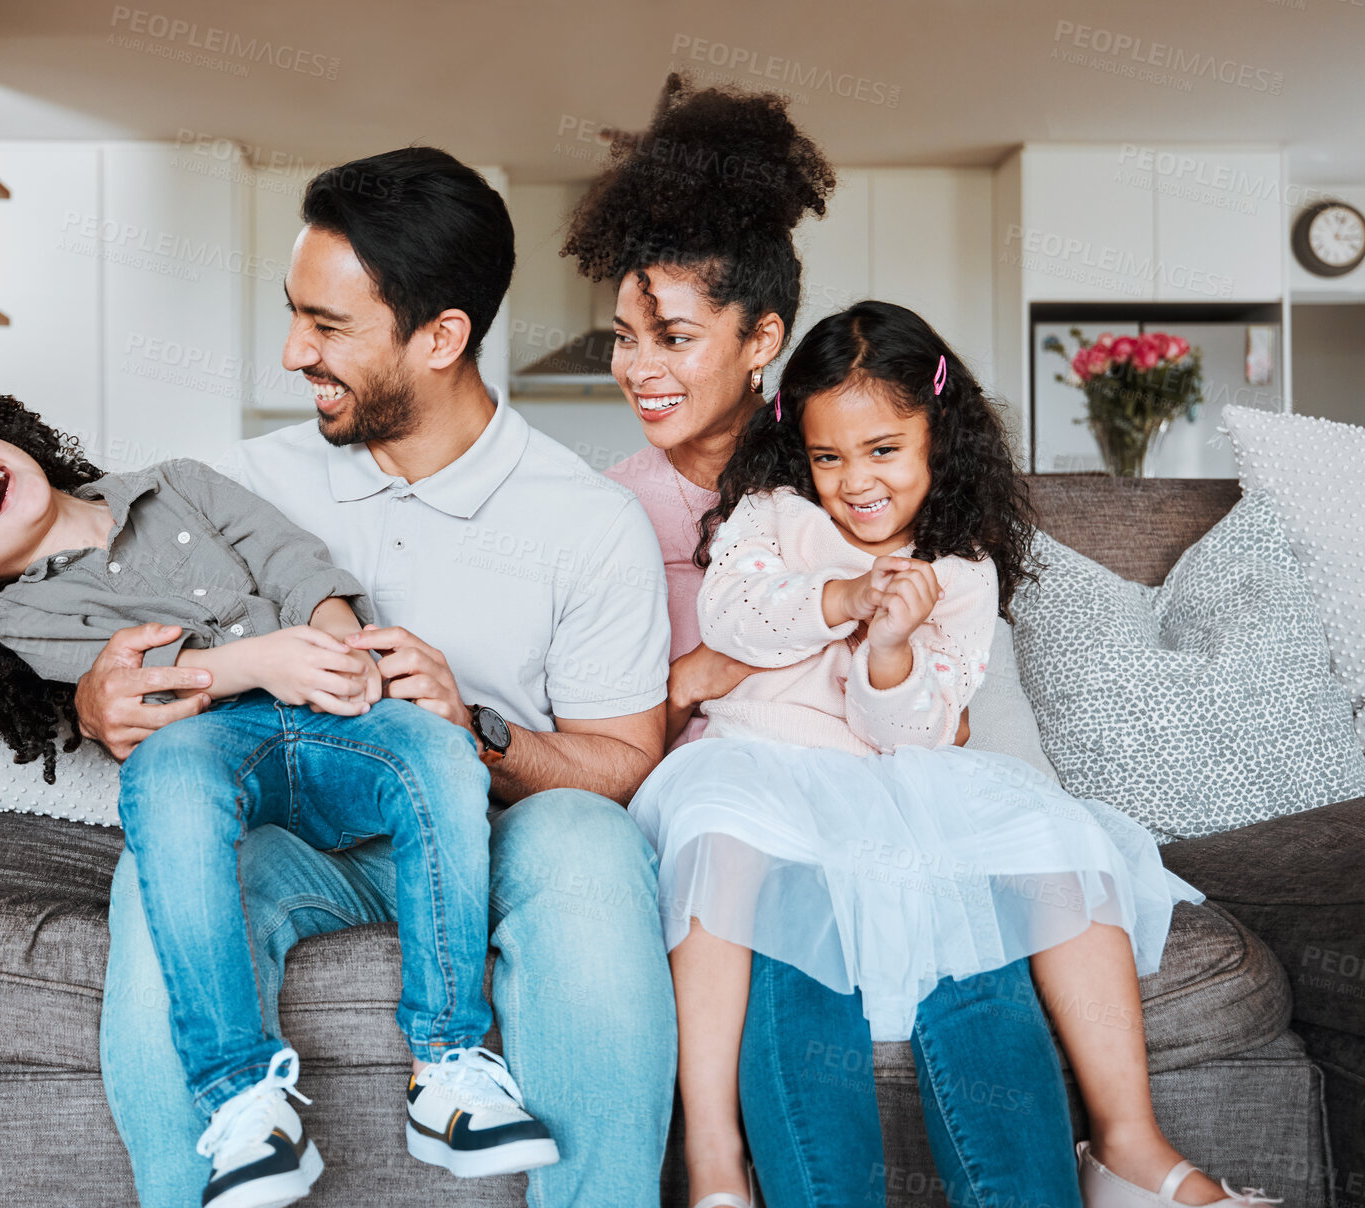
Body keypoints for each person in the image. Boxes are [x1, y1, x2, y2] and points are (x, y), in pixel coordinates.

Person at [0, 376, 562, 1207]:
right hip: (221, 741)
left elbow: (290, 557)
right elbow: (145, 692)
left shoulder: (178, 481)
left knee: (439, 749)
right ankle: (243, 1095)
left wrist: (334, 640)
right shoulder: (22, 618)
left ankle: (447, 1066)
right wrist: (259, 664)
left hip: (336, 718)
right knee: (167, 775)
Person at [74, 147, 680, 1208]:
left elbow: (624, 763)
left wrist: (475, 726)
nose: (292, 351)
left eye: (329, 326)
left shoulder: (585, 520)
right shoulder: (238, 485)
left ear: (442, 335)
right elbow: (117, 635)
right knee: (156, 870)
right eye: (294, 313)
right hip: (307, 840)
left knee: (591, 837)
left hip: (496, 837)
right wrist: (96, 698)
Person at [567, 74, 1085, 1208]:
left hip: (899, 758)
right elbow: (605, 726)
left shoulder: (835, 441)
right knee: (796, 960)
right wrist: (709, 670)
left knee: (980, 949)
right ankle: (726, 1165)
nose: (639, 367)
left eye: (673, 336)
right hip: (739, 788)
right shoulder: (605, 508)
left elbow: (949, 660)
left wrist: (957, 748)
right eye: (622, 338)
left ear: (761, 342)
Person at [633, 296, 1275, 1208]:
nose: (855, 482)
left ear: (939, 437)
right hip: (761, 765)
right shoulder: (771, 513)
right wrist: (844, 599)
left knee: (1063, 842)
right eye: (829, 456)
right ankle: (712, 1162)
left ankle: (1128, 1143)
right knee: (718, 844)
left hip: (898, 782)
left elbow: (917, 730)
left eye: (884, 450)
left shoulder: (961, 571)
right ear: (799, 455)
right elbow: (735, 616)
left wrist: (891, 651)